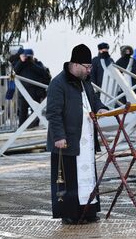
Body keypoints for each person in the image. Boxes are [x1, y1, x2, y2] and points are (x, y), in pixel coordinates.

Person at [45, 44, 108, 224]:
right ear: (75, 64)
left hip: (85, 139)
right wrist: (59, 136)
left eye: (90, 67)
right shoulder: (58, 83)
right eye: (87, 67)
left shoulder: (84, 80)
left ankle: (88, 210)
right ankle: (70, 214)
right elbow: (53, 112)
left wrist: (101, 108)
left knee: (87, 178)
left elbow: (93, 99)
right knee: (69, 179)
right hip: (66, 140)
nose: (89, 71)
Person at [14, 48, 51, 128]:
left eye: (29, 57)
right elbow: (14, 71)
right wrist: (21, 61)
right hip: (23, 91)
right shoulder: (20, 64)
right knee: (22, 111)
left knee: (36, 110)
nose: (27, 59)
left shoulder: (37, 63)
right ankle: (22, 127)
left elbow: (43, 73)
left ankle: (34, 126)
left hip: (35, 91)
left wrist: (32, 63)